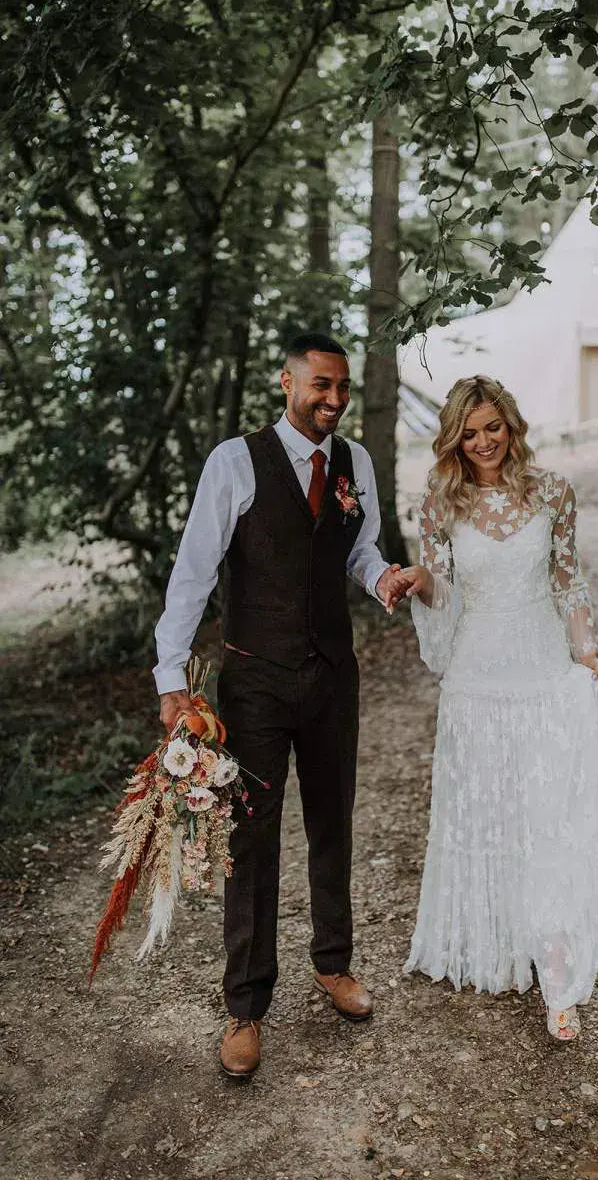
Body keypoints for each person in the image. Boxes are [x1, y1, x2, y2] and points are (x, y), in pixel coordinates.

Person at [153, 333, 408, 1077]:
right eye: (320, 386)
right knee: (252, 845)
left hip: (333, 676)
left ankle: (333, 964)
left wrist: (383, 579)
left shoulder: (355, 463)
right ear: (287, 382)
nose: (332, 401)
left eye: (342, 389)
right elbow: (194, 573)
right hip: (255, 683)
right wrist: (172, 675)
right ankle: (245, 1004)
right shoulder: (234, 462)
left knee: (333, 825)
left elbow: (361, 550)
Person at [400, 375, 598, 1041]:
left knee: (548, 820)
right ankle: (496, 941)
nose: (482, 443)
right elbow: (442, 597)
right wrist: (419, 584)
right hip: (475, 683)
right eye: (468, 434)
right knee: (492, 815)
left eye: (491, 429)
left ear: (511, 424)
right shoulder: (440, 504)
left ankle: (559, 976)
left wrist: (585, 648)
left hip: (542, 676)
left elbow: (568, 579)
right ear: (453, 438)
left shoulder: (554, 491)